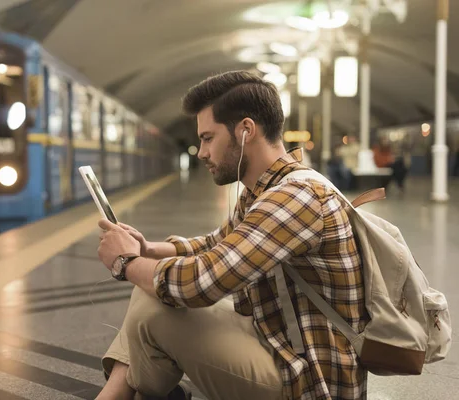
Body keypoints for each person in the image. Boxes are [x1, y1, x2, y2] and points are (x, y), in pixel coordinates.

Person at [96, 70, 368, 400]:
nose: (201, 152)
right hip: (276, 340)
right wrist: (147, 249)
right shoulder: (266, 187)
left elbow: (201, 283)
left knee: (154, 306)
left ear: (245, 131)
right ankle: (120, 394)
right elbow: (217, 243)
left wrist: (126, 262)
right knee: (149, 286)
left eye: (208, 138)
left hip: (307, 379)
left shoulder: (295, 197)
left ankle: (135, 393)